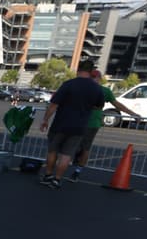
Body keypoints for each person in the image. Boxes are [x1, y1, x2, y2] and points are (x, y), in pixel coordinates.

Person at [37, 58, 105, 188]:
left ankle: (48, 175)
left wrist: (45, 120)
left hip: (60, 123)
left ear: (78, 69)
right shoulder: (96, 88)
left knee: (53, 151)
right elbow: (99, 105)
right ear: (91, 72)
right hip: (79, 126)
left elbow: (54, 104)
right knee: (66, 155)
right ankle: (57, 179)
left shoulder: (68, 84)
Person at [69, 68, 139, 182]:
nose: (92, 79)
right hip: (79, 122)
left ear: (98, 79)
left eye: (94, 77)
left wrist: (132, 114)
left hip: (90, 123)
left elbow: (117, 105)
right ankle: (76, 162)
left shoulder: (103, 91)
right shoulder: (84, 89)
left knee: (84, 147)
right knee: (75, 145)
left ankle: (77, 170)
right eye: (91, 77)